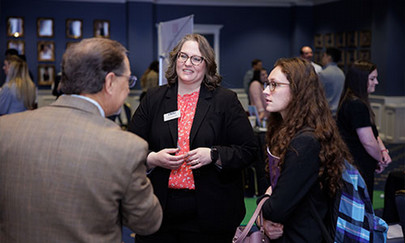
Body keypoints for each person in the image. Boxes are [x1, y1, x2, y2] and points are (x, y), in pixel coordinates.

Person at [0, 38, 162, 242]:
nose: (129, 89)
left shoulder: (5, 129)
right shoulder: (126, 147)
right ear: (110, 82)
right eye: (128, 81)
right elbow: (148, 222)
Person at [128, 33, 257, 243]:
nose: (188, 63)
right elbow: (129, 146)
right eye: (182, 56)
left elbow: (249, 150)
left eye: (196, 58)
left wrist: (214, 155)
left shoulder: (225, 101)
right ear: (175, 59)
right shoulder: (154, 98)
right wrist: (152, 158)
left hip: (210, 212)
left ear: (207, 64)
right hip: (158, 209)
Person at [259, 57, 351, 242]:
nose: (266, 91)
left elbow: (276, 208)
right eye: (267, 84)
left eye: (274, 85)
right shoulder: (285, 131)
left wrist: (266, 201)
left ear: (298, 90)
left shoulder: (305, 142)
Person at [337, 60, 392, 198]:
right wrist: (380, 159)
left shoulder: (355, 101)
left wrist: (383, 150)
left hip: (356, 163)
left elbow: (373, 133)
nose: (377, 82)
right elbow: (368, 141)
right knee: (361, 205)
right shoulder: (357, 105)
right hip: (357, 164)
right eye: (372, 78)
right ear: (360, 80)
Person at [318, 47, 345, 117]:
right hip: (338, 112)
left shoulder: (323, 74)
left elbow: (317, 94)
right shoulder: (341, 73)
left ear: (329, 57)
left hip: (326, 113)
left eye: (324, 56)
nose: (322, 58)